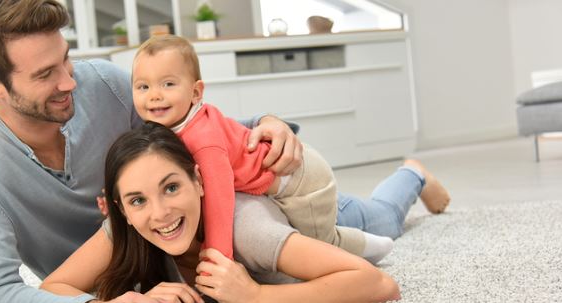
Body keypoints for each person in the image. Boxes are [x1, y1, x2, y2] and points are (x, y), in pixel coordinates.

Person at [0, 0, 303, 303]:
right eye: (45, 75)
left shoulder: (102, 84)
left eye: (66, 59)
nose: (69, 81)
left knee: (332, 223)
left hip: (193, 238)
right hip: (122, 269)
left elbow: (190, 130)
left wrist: (264, 122)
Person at [40, 122, 401, 303]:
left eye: (171, 187)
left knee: (385, 217)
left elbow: (379, 284)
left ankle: (413, 174)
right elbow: (52, 287)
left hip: (309, 212)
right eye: (138, 200)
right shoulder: (129, 226)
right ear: (121, 209)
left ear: (199, 181)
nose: (160, 213)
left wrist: (258, 297)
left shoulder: (249, 231)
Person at [131, 35, 395, 264]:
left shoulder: (203, 139)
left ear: (196, 92)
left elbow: (219, 198)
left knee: (322, 245)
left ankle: (377, 246)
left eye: (168, 84)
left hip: (302, 181)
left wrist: (218, 254)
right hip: (276, 182)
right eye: (143, 86)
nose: (154, 95)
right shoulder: (177, 123)